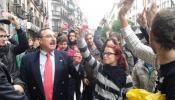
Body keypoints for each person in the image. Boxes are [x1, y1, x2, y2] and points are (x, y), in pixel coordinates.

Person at [20, 28, 80, 100]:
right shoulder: (27, 59)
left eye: (54, 36)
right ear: (40, 40)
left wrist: (76, 64)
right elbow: (24, 83)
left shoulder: (65, 56)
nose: (53, 39)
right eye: (49, 36)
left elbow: (76, 76)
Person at [76, 28, 133, 100]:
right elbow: (87, 56)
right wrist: (81, 38)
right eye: (104, 53)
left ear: (117, 56)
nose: (104, 56)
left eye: (108, 53)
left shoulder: (126, 78)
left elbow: (128, 97)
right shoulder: (100, 67)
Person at [0, 14, 29, 94]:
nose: (4, 38)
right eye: (1, 36)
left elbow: (24, 46)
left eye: (5, 36)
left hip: (14, 84)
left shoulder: (11, 48)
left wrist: (18, 26)